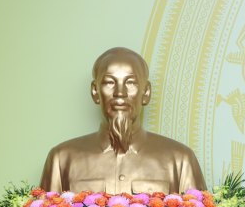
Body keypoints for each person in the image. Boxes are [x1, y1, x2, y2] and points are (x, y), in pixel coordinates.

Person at [39, 47, 206, 194]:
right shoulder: (62, 159)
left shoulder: (180, 160)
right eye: (110, 82)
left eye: (131, 82)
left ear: (146, 92)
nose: (120, 93)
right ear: (95, 92)